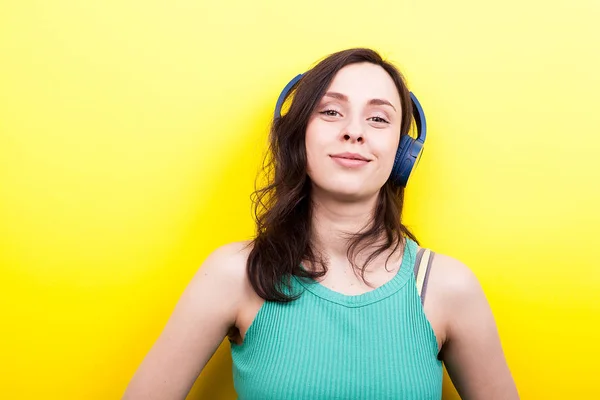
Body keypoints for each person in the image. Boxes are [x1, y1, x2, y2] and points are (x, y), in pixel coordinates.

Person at [123, 48, 519, 400]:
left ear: (403, 152)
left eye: (379, 119)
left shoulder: (450, 288)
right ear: (297, 138)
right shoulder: (235, 274)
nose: (354, 131)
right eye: (331, 111)